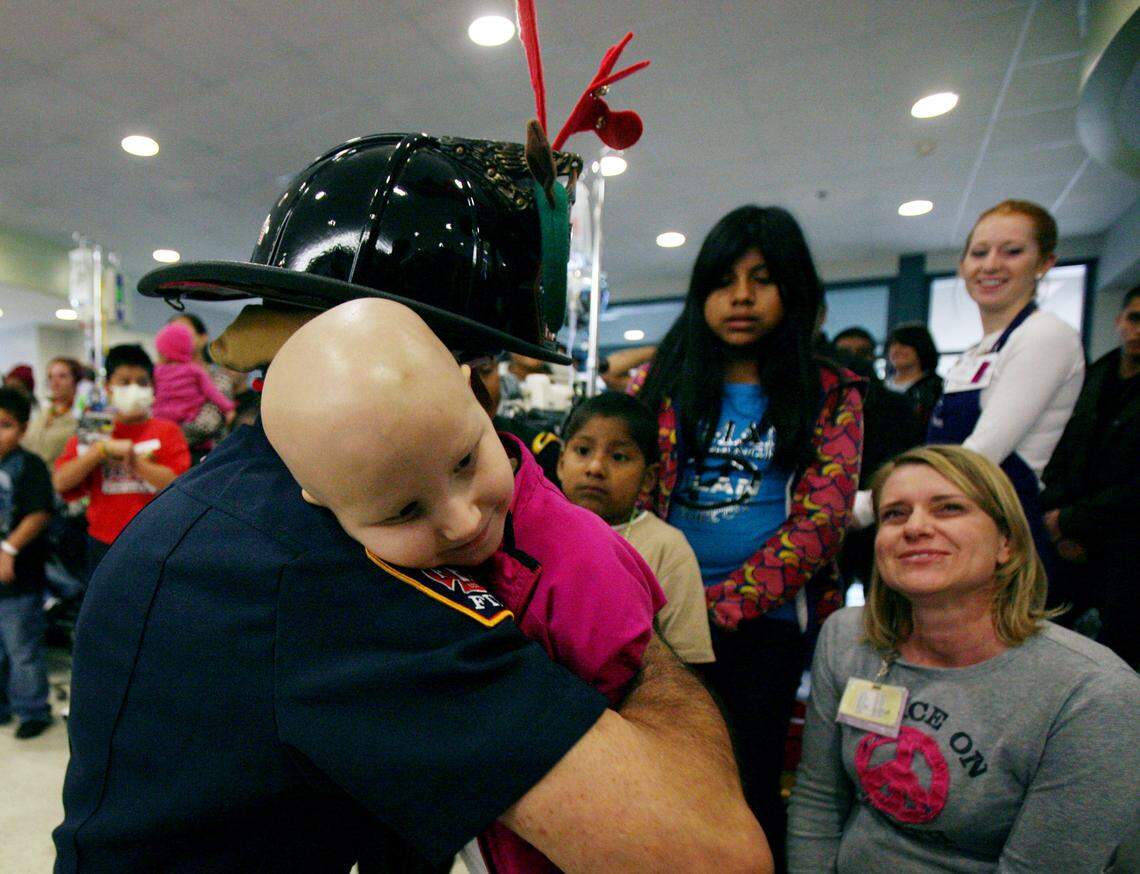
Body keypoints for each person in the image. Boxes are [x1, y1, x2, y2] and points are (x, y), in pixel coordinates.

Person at [55, 133, 770, 873]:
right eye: (487, 364)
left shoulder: (240, 498)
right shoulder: (333, 562)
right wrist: (628, 635)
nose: (460, 521)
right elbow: (710, 853)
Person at [263, 299, 686, 874]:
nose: (463, 522)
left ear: (477, 398)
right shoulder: (330, 571)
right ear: (324, 506)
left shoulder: (583, 563)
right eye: (404, 511)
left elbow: (645, 784)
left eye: (465, 461)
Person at [629, 204, 864, 869]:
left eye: (762, 278)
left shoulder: (829, 391)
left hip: (764, 626)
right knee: (657, 774)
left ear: (793, 289)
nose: (740, 297)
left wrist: (721, 607)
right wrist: (656, 601)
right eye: (724, 280)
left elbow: (821, 522)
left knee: (747, 781)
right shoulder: (663, 384)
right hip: (656, 617)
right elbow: (633, 497)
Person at [788, 444, 1140, 873]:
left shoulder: (1094, 695)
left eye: (949, 508)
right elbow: (818, 800)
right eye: (895, 514)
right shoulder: (847, 637)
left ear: (1006, 543)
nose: (915, 528)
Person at [925, 199, 1083, 584]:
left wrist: (874, 504)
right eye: (979, 253)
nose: (991, 264)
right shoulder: (975, 353)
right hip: (953, 523)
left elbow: (982, 454)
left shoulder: (1045, 335)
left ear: (1044, 263)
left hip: (1004, 533)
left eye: (1012, 251)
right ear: (963, 265)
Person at [557, 391, 715, 665]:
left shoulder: (666, 546)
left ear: (648, 478)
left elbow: (689, 660)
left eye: (618, 457)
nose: (595, 467)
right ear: (560, 463)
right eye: (583, 451)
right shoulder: (534, 528)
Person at [1040, 285, 1140, 666]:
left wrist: (1072, 520)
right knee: (1047, 644)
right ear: (1119, 321)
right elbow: (1062, 448)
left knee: (1120, 654)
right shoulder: (1096, 374)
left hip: (1126, 547)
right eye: (1135, 318)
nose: (1139, 331)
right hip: (1065, 539)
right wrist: (1058, 520)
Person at [51, 344, 191, 573]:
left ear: (152, 387)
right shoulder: (94, 429)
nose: (134, 389)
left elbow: (179, 484)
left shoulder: (168, 432)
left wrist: (134, 461)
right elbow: (61, 482)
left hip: (157, 541)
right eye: (124, 382)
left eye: (142, 382)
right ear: (108, 388)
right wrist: (99, 451)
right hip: (103, 542)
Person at [0, 386, 54, 739]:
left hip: (19, 578)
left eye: (4, 425)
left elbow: (38, 513)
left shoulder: (29, 466)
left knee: (22, 647)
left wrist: (9, 549)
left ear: (22, 430)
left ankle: (33, 708)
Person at [166, 312, 243, 460]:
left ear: (203, 338)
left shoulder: (218, 379)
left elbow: (206, 425)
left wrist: (164, 434)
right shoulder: (162, 378)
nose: (176, 337)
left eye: (183, 331)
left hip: (204, 460)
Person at [152, 320, 236, 440]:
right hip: (179, 419)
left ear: (203, 338)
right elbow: (212, 393)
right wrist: (228, 408)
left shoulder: (215, 376)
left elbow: (206, 423)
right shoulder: (194, 370)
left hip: (184, 435)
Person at [22, 357, 83, 466]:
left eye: (62, 376)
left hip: (58, 478)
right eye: (50, 377)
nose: (55, 382)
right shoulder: (40, 412)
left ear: (75, 381)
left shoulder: (81, 416)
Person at [884, 322, 943, 431]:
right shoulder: (880, 386)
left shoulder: (937, 387)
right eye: (893, 345)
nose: (897, 350)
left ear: (921, 348)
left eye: (904, 345)